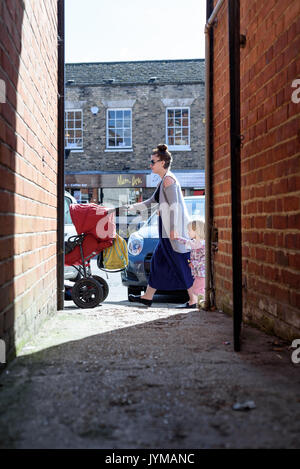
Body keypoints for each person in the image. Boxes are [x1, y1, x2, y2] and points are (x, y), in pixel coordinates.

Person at [126, 143, 197, 308]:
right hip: (165, 232)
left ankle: (193, 299)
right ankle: (148, 296)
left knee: (181, 262)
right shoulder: (163, 181)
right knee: (158, 262)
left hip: (172, 232)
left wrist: (173, 229)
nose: (151, 165)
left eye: (153, 162)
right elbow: (152, 201)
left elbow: (174, 207)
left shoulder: (169, 180)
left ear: (163, 163)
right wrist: (133, 207)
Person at [177, 218, 205, 310]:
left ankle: (203, 303)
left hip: (202, 273)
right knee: (196, 289)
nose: (188, 232)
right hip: (198, 273)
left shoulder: (201, 243)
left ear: (197, 231)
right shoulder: (197, 243)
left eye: (190, 230)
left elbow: (189, 243)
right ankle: (198, 303)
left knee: (198, 290)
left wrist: (178, 238)